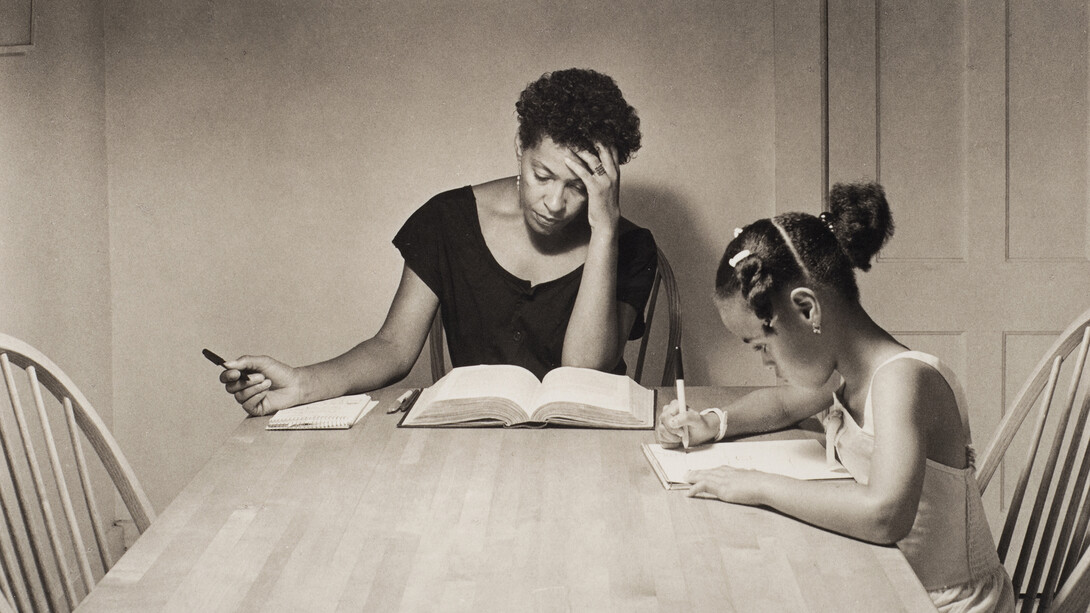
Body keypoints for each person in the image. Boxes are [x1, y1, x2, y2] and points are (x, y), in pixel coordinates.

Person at [656, 182, 1014, 612]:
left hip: (941, 603)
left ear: (807, 309)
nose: (765, 362)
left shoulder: (903, 381)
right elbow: (783, 404)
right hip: (884, 580)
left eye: (762, 345)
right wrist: (713, 422)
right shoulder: (844, 373)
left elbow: (884, 514)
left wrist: (755, 484)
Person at [220, 68, 657, 416]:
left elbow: (584, 374)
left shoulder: (629, 245)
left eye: (578, 187)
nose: (555, 202)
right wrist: (300, 383)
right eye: (542, 176)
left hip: (588, 442)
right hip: (473, 437)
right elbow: (392, 347)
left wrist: (604, 232)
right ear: (520, 147)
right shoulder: (447, 220)